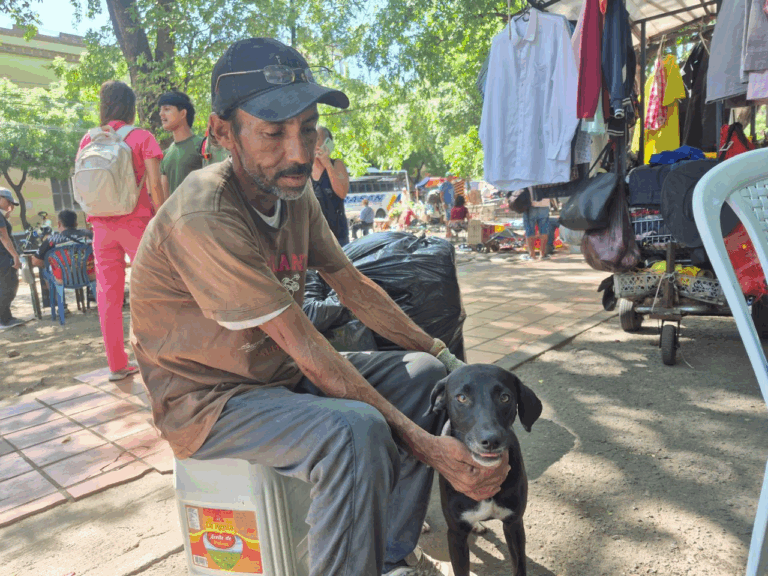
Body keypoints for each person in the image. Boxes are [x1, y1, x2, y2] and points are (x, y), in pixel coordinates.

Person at [129, 37, 508, 576]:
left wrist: (446, 357)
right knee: (357, 432)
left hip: (272, 372)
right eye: (273, 132)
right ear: (220, 132)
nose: (300, 152)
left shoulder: (291, 190)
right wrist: (428, 446)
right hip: (208, 400)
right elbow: (308, 348)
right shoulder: (204, 213)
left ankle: (391, 557)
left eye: (307, 128)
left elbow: (352, 285)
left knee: (425, 378)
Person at [80, 80, 164, 382]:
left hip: (100, 226)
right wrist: (164, 219)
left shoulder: (88, 140)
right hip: (137, 224)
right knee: (153, 291)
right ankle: (157, 359)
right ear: (130, 106)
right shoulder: (142, 137)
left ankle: (117, 364)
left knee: (108, 296)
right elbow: (155, 186)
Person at [30, 210, 93, 308]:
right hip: (90, 276)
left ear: (59, 224)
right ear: (76, 223)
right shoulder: (89, 234)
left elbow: (36, 261)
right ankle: (94, 297)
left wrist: (50, 264)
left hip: (62, 278)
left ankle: (59, 306)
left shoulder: (52, 240)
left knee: (45, 271)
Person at [159, 91, 204, 197]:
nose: (161, 114)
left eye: (167, 109)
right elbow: (166, 197)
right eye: (160, 110)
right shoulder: (166, 154)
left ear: (183, 113)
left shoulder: (203, 145)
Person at [311, 126, 350, 246]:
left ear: (328, 144)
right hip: (312, 238)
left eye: (317, 138)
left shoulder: (337, 165)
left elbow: (342, 193)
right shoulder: (304, 169)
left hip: (337, 237)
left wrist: (327, 165)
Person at [0, 188, 22, 328]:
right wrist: (15, 256)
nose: (10, 204)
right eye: (8, 201)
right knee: (9, 285)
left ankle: (6, 317)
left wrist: (6, 215)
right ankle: (4, 320)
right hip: (3, 257)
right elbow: (3, 237)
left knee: (4, 285)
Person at [523, 193, 551, 261]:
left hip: (530, 204)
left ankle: (532, 255)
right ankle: (542, 254)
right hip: (545, 204)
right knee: (544, 230)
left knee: (530, 229)